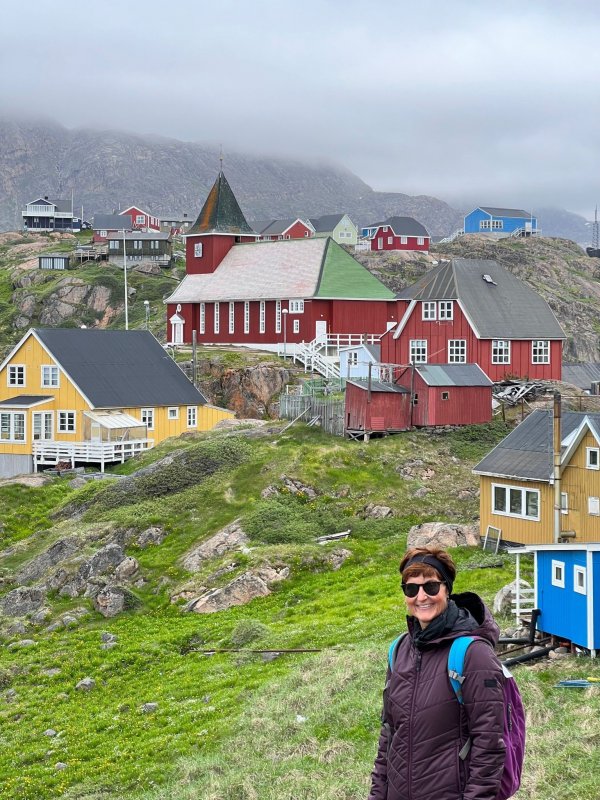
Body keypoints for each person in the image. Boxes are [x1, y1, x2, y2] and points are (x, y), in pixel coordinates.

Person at [368, 546, 506, 800]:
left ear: (446, 589)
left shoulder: (473, 654)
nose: (421, 597)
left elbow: (489, 746)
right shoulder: (399, 650)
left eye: (431, 586)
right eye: (411, 588)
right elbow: (388, 734)